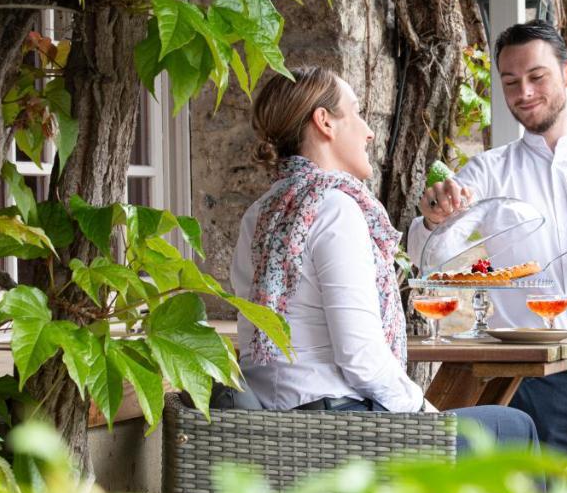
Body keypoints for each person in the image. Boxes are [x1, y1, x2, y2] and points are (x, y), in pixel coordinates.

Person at [228, 66, 537, 450]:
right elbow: (360, 357)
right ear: (325, 122)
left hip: (274, 428)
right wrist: (424, 412)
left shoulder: (260, 212)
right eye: (356, 112)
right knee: (514, 427)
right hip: (342, 431)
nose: (369, 130)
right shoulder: (333, 208)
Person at [408, 21, 567, 451]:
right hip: (525, 383)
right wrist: (433, 218)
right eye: (510, 82)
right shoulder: (488, 171)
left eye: (537, 77)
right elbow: (432, 252)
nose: (524, 93)